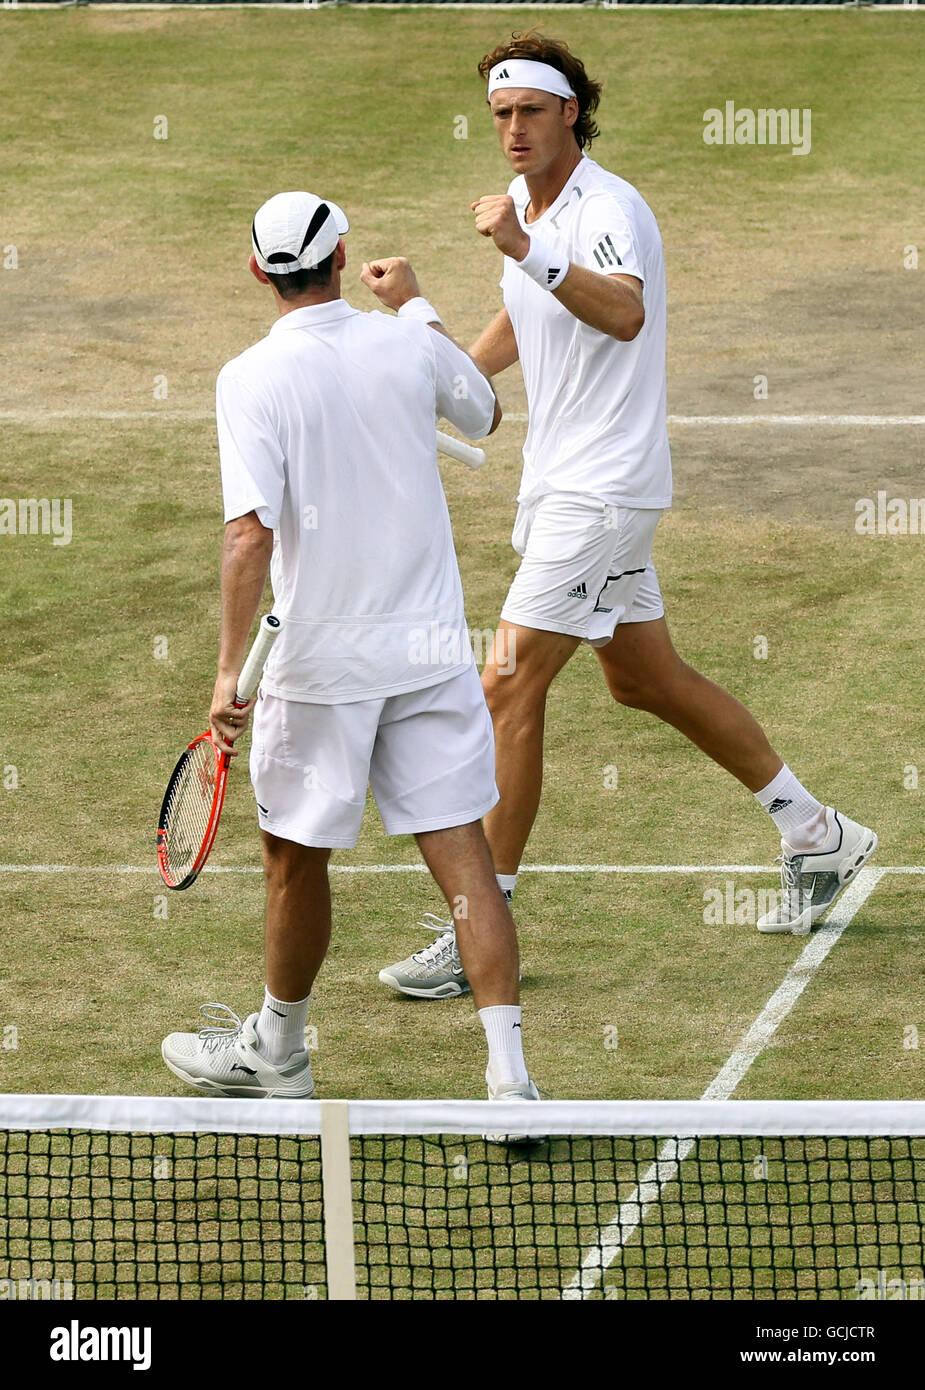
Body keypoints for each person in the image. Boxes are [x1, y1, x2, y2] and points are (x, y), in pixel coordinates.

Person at [378, 32, 877, 1000]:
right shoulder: (529, 206)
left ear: (571, 111)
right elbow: (512, 329)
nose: (511, 130)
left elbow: (622, 312)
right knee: (644, 679)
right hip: (565, 487)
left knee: (504, 688)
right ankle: (816, 830)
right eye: (498, 116)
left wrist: (527, 247)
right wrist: (421, 359)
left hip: (600, 491)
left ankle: (483, 925)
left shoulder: (604, 209)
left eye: (527, 111)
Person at [161, 189, 538, 1109]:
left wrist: (223, 669)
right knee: (463, 859)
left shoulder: (246, 377)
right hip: (427, 652)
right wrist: (411, 301)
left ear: (259, 273)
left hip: (320, 664)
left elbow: (249, 535)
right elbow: (484, 413)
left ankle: (279, 1052)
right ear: (342, 258)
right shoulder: (405, 340)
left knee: (294, 861)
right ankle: (509, 1079)